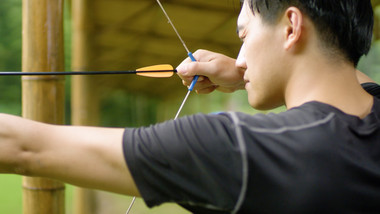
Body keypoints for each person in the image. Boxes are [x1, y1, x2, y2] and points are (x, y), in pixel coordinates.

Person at [1, 0, 380, 213]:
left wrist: (259, 69)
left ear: (291, 27)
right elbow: (348, 82)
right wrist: (252, 70)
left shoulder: (244, 149)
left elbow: (27, 147)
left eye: (244, 35)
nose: (240, 55)